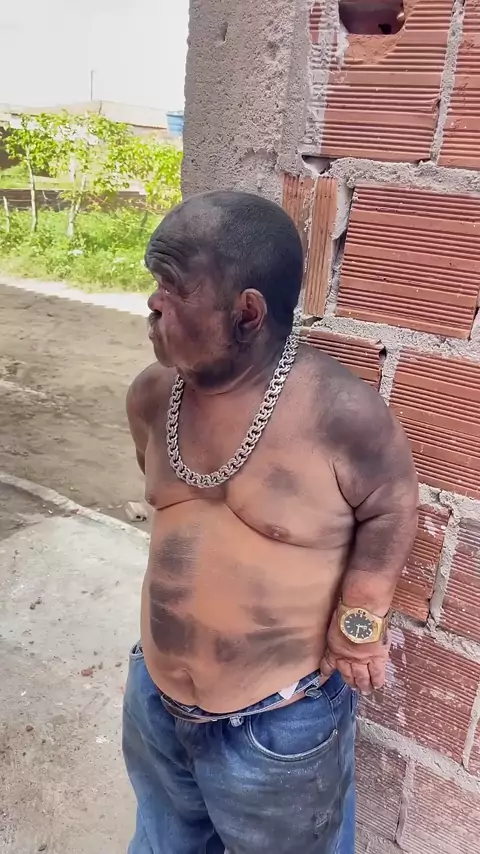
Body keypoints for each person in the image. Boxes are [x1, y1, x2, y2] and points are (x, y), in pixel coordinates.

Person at [123, 190, 418, 854]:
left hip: (278, 725)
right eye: (154, 283)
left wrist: (360, 629)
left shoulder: (338, 414)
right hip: (156, 699)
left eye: (173, 287)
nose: (153, 303)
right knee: (162, 843)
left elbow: (392, 506)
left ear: (247, 313)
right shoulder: (150, 397)